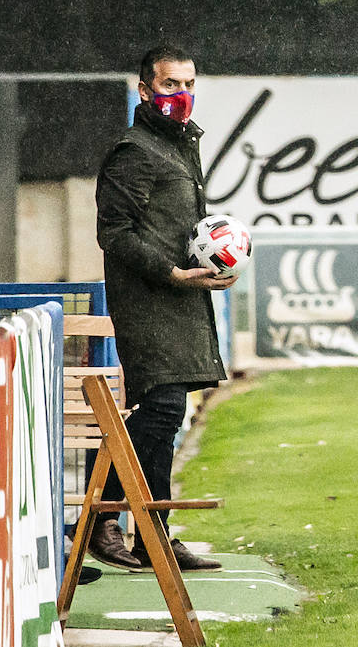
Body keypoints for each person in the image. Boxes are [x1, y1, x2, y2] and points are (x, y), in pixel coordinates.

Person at [91, 45, 234, 572]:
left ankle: (152, 533)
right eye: (171, 84)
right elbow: (114, 234)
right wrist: (172, 272)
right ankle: (107, 520)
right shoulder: (134, 150)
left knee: (161, 413)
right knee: (161, 410)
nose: (182, 94)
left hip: (178, 298)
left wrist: (209, 256)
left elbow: (174, 226)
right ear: (145, 90)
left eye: (189, 84)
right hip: (148, 300)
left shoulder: (178, 145)